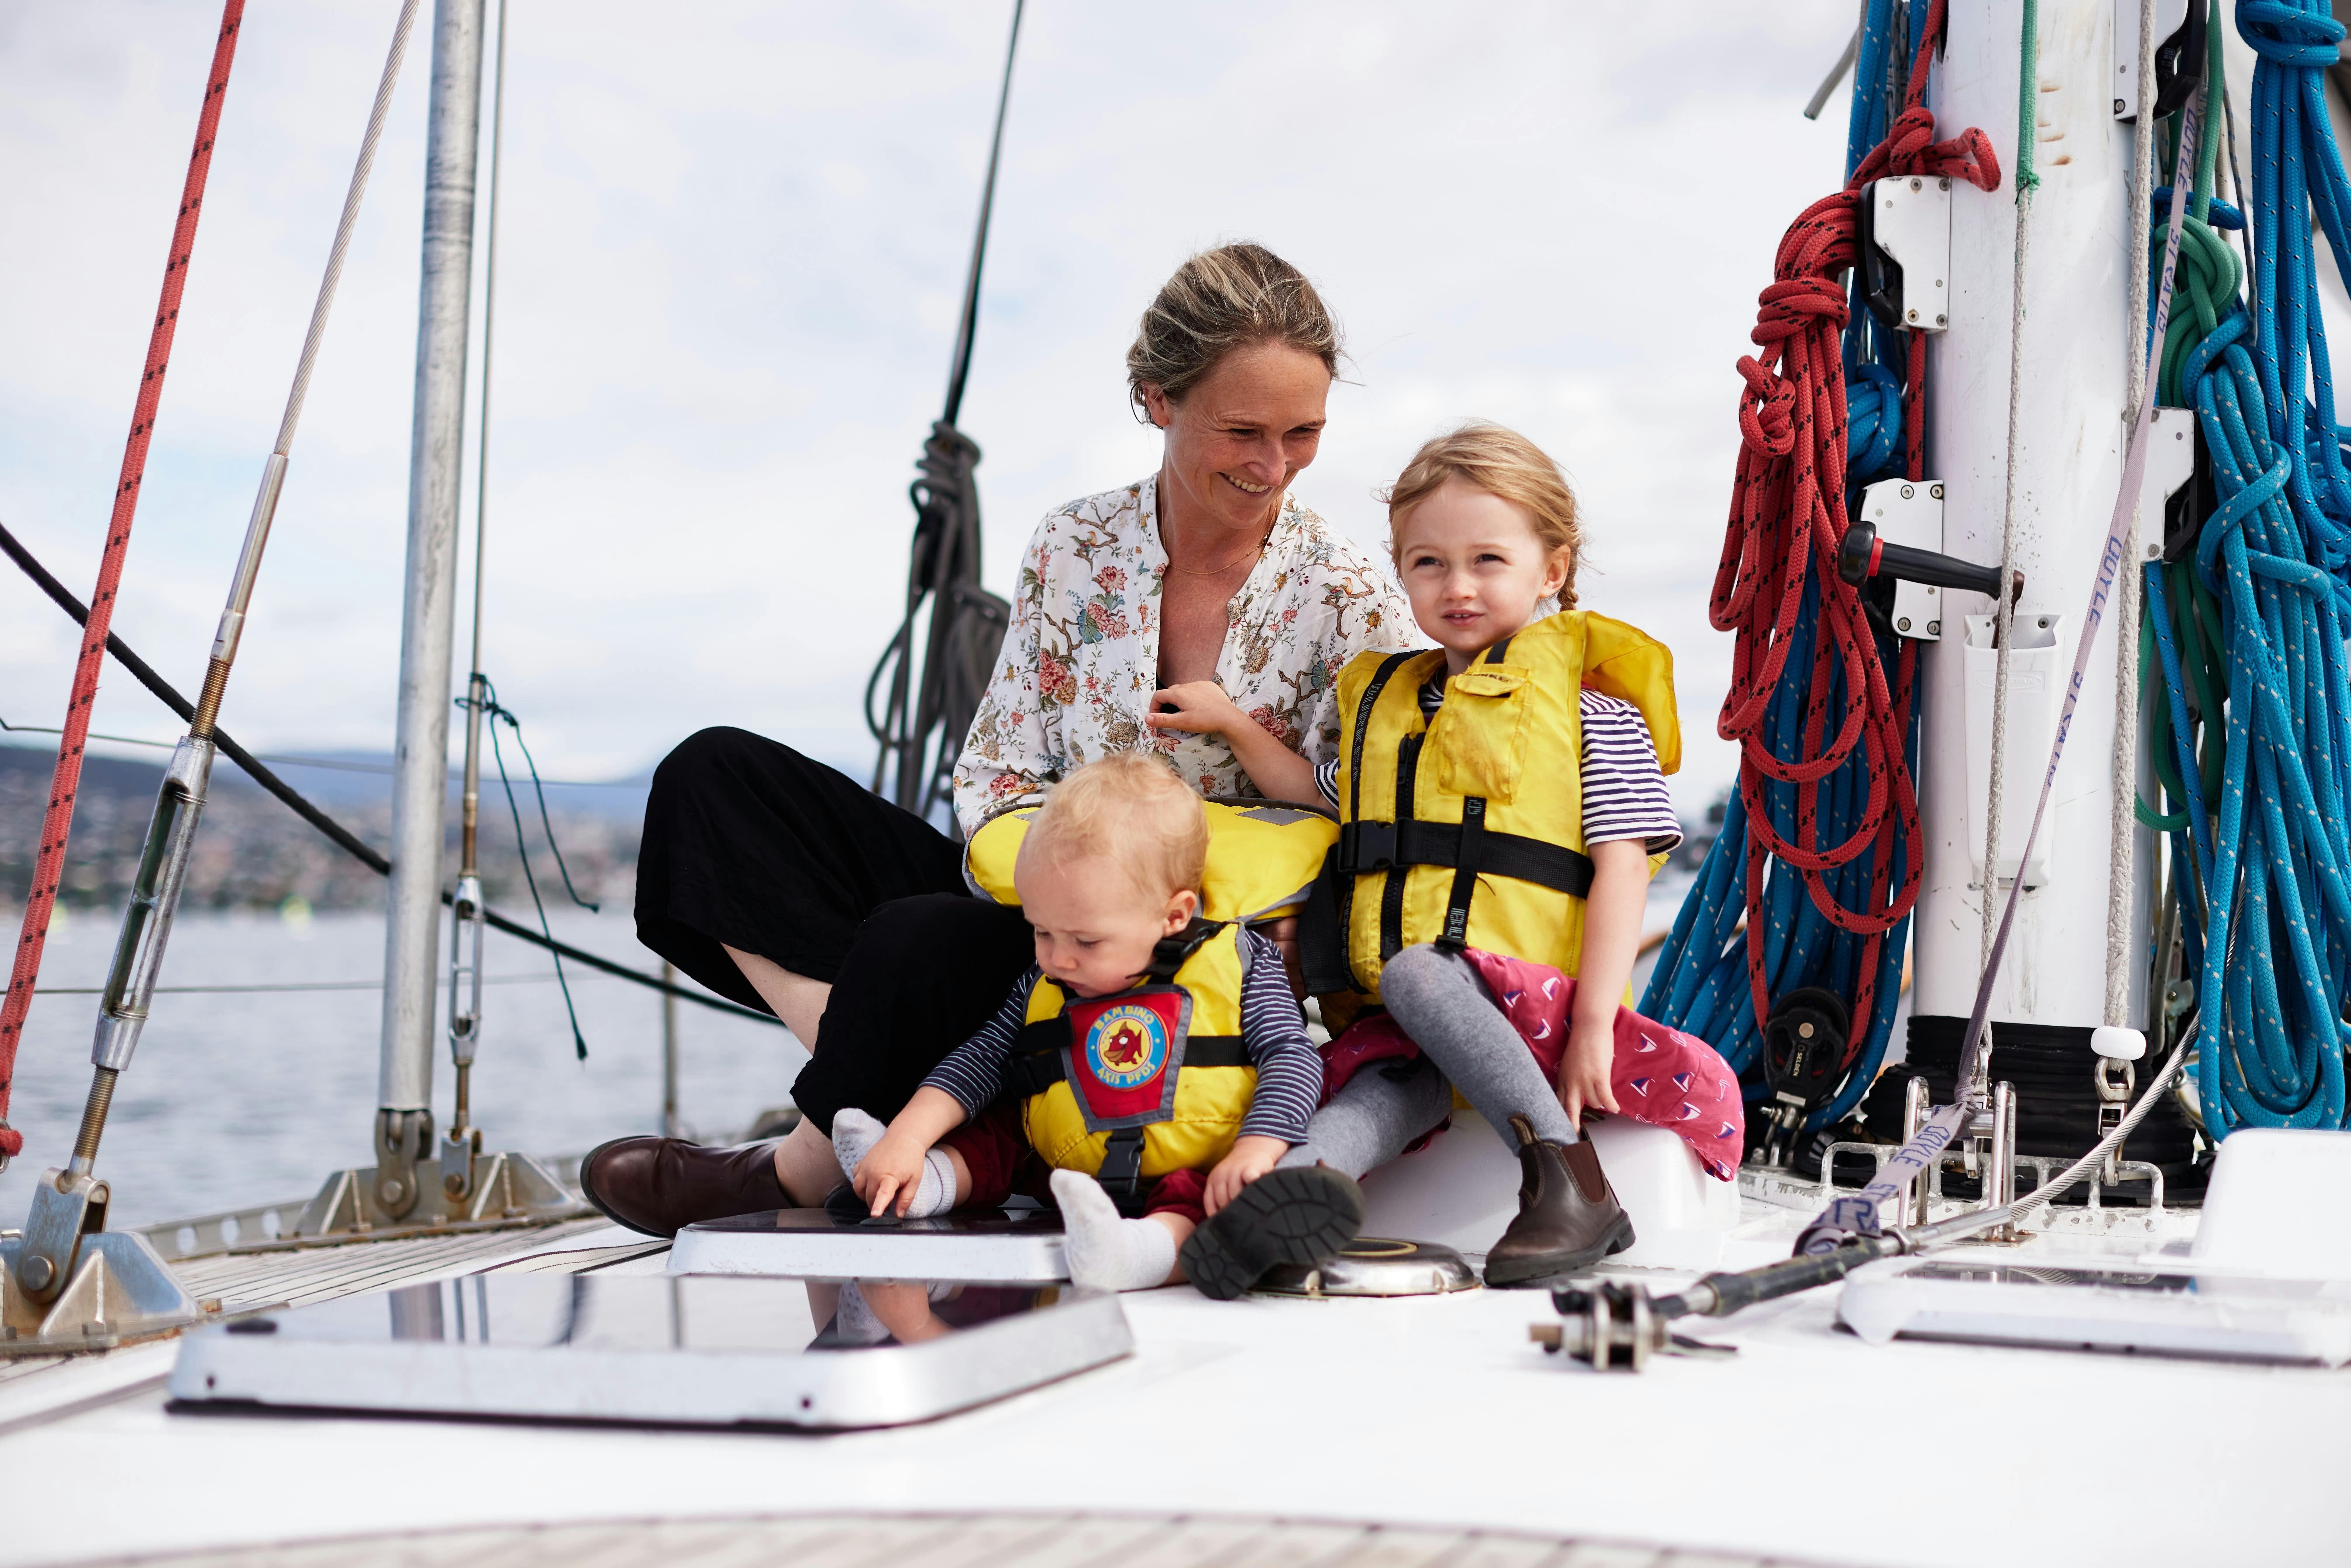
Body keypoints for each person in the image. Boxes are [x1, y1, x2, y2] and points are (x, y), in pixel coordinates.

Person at [586, 243, 1429, 1243]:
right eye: (1241, 430)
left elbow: (1379, 804)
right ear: (1156, 399)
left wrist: (1291, 926)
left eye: (1303, 433)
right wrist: (1066, 891)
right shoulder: (1072, 544)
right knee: (710, 781)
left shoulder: (1346, 592)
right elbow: (993, 768)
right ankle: (888, 1099)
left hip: (1194, 970)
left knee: (910, 940)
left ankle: (809, 1159)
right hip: (1036, 932)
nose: (1271, 466)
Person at [1161, 423, 1740, 1286]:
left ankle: (1571, 1179)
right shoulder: (1389, 716)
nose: (1456, 585)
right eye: (1427, 563)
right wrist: (1234, 722)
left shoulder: (1595, 716)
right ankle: (1290, 1199)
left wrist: (1590, 1030)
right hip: (1424, 1018)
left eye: (1487, 560)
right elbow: (1312, 786)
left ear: (1552, 567)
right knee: (1379, 1084)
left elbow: (1623, 864)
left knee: (1416, 973)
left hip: (1541, 1006)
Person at [829, 752, 1361, 1298]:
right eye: (1042, 932)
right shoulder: (1047, 977)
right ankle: (917, 1182)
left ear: (1174, 915)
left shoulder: (1243, 962)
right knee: (1000, 1131)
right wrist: (909, 1134)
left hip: (1191, 1161)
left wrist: (1258, 1146)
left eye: (1086, 941)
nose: (1059, 959)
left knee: (1203, 1200)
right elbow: (981, 1059)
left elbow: (1292, 1057)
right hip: (1063, 1162)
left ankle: (1138, 1255)